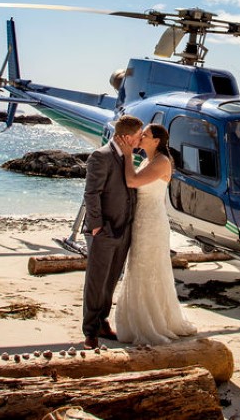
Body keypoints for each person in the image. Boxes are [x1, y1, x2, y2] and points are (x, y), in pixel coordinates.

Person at [113, 123, 198, 345]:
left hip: (151, 222)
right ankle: (140, 318)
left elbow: (132, 181)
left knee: (147, 267)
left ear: (156, 141)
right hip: (142, 220)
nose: (141, 137)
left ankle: (153, 322)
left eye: (145, 135)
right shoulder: (151, 161)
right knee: (139, 267)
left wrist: (128, 155)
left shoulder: (161, 162)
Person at [81, 114, 143, 350]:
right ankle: (90, 331)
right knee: (97, 281)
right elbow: (91, 193)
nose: (139, 141)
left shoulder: (128, 157)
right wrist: (97, 225)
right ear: (126, 137)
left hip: (124, 230)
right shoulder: (101, 156)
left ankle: (102, 322)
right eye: (138, 137)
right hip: (104, 230)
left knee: (111, 281)